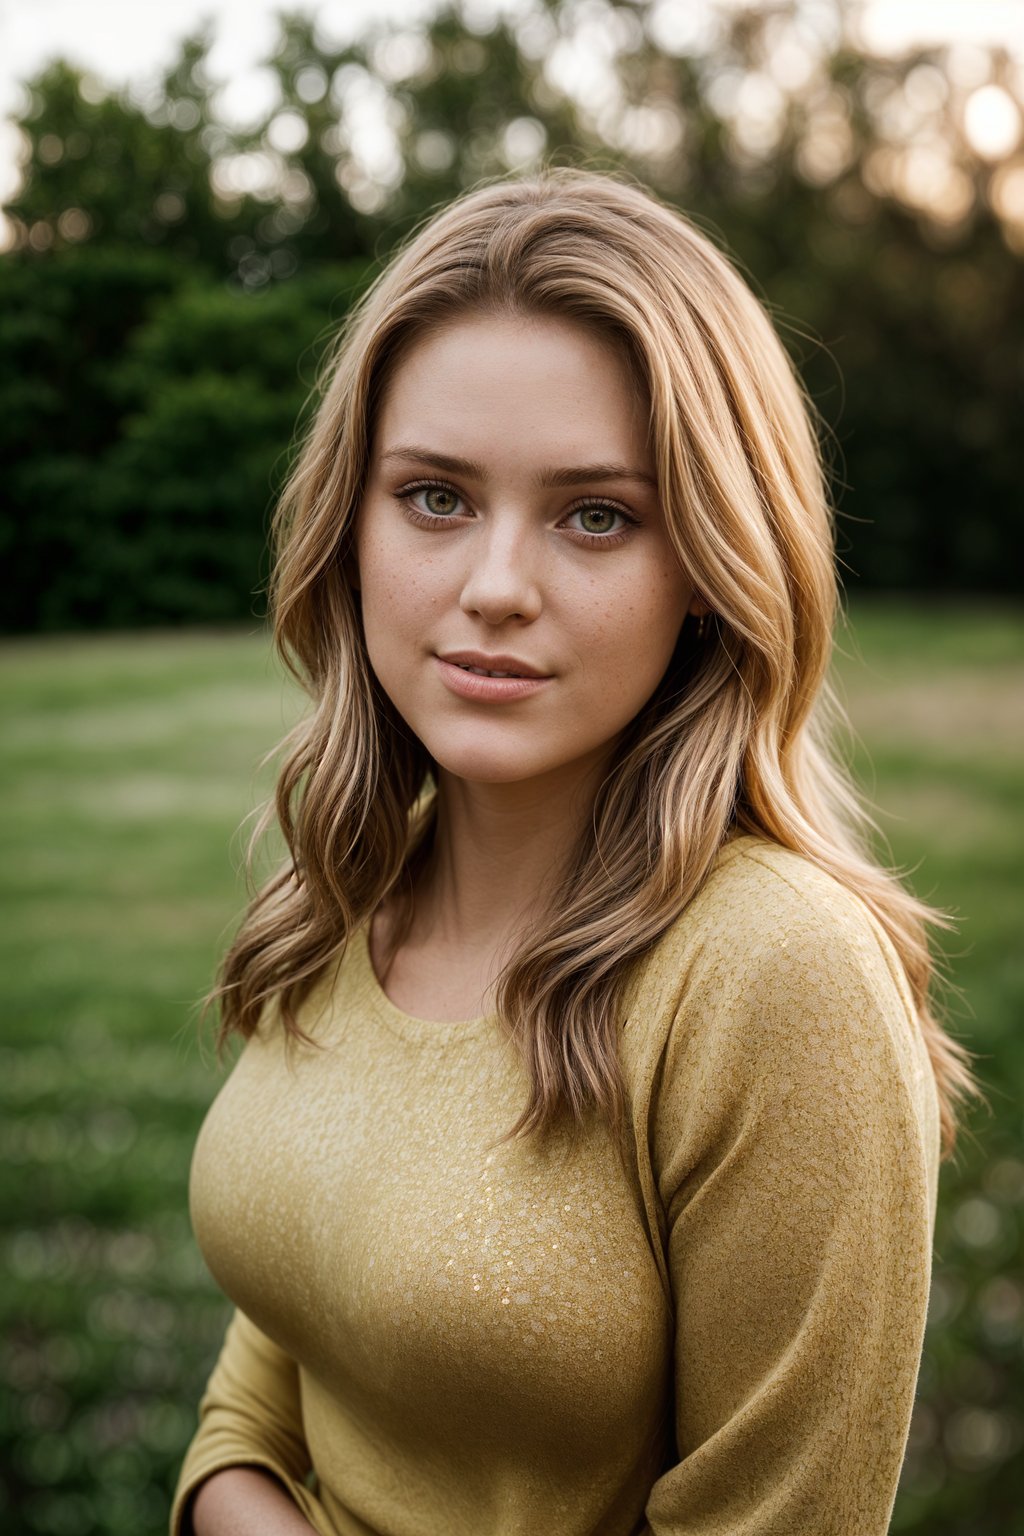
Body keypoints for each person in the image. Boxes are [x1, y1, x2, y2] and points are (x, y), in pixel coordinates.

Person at [170, 168, 982, 1536]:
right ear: (349, 525)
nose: (494, 584)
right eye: (433, 497)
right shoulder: (346, 892)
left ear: (716, 566)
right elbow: (265, 1391)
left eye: (596, 514)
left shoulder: (774, 974)